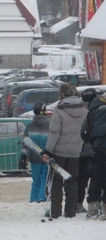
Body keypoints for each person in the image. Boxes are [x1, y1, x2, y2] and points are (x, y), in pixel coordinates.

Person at [42, 83, 87, 219]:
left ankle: (55, 212)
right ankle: (70, 212)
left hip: (59, 151)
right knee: (72, 181)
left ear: (62, 94)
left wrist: (48, 151)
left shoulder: (60, 110)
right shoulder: (85, 110)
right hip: (76, 151)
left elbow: (54, 133)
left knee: (57, 181)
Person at [23, 102, 49, 203]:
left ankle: (33, 199)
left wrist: (23, 156)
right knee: (44, 179)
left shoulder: (29, 126)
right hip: (46, 156)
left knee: (35, 180)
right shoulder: (49, 125)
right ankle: (41, 198)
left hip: (34, 157)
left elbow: (25, 143)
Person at [85, 91, 106, 219]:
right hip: (101, 149)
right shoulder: (101, 109)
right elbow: (97, 130)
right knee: (97, 178)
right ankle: (93, 207)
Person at [76, 88, 97, 213]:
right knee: (96, 179)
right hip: (95, 150)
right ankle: (95, 203)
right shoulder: (97, 110)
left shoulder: (81, 111)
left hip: (81, 150)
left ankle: (79, 203)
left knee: (81, 180)